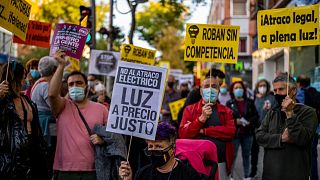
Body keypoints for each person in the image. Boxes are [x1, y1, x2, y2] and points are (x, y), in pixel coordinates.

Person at [48, 50, 108, 180]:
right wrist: (61, 66)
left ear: (86, 86)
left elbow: (113, 137)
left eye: (79, 83)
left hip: (94, 170)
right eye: (71, 84)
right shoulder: (62, 106)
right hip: (65, 171)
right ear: (68, 88)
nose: (75, 86)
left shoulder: (101, 109)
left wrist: (102, 140)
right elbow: (52, 94)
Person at [256, 74, 318, 180]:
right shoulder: (272, 112)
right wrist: (280, 138)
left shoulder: (308, 112)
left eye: (281, 89)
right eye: (275, 90)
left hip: (295, 174)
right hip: (270, 175)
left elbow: (302, 139)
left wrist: (290, 113)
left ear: (293, 91)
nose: (277, 93)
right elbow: (259, 136)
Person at [179, 75, 236, 180]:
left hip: (221, 162)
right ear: (201, 91)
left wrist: (203, 131)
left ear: (218, 90)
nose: (210, 89)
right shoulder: (190, 110)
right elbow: (183, 134)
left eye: (214, 86)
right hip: (196, 163)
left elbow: (230, 132)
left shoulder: (226, 111)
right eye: (206, 86)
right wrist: (201, 119)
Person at [0, 61, 48, 179]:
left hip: (32, 152)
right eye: (23, 75)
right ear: (15, 76)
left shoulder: (27, 99)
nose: (25, 79)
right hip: (11, 156)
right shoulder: (3, 99)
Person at [119, 121, 200, 180]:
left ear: (172, 148)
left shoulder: (189, 175)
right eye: (150, 146)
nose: (153, 150)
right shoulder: (142, 174)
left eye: (158, 146)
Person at [30, 56, 58, 178]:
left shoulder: (38, 82)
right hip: (47, 125)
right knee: (50, 152)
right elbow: (55, 108)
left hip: (40, 123)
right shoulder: (46, 86)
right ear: (54, 70)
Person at [226, 81, 259, 179]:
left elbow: (256, 115)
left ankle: (246, 176)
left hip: (248, 133)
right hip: (235, 134)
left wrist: (249, 121)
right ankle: (230, 176)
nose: (238, 90)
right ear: (232, 90)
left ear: (243, 90)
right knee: (233, 156)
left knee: (246, 155)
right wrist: (236, 122)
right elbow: (226, 119)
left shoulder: (249, 102)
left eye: (240, 88)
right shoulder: (229, 103)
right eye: (236, 88)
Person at [249, 78, 277, 178]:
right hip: (256, 128)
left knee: (269, 151)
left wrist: (271, 109)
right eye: (260, 86)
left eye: (264, 85)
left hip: (269, 129)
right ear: (257, 87)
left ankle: (270, 171)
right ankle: (253, 170)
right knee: (254, 151)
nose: (262, 88)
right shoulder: (254, 98)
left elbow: (276, 110)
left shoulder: (272, 98)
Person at [297, 74, 320, 180]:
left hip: (304, 129)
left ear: (298, 83)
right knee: (313, 155)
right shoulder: (315, 92)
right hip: (315, 129)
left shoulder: (300, 93)